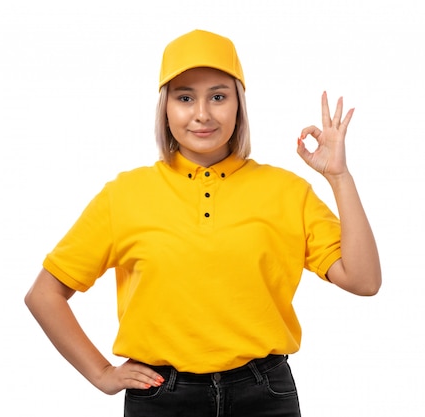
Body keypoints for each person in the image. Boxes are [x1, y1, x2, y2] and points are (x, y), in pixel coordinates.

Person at [24, 29, 381, 417]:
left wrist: (339, 178)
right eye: (184, 97)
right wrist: (101, 373)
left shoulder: (286, 191)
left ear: (239, 105)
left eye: (218, 96)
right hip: (162, 397)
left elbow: (363, 281)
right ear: (165, 107)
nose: (202, 114)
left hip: (264, 396)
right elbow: (44, 295)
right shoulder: (124, 195)